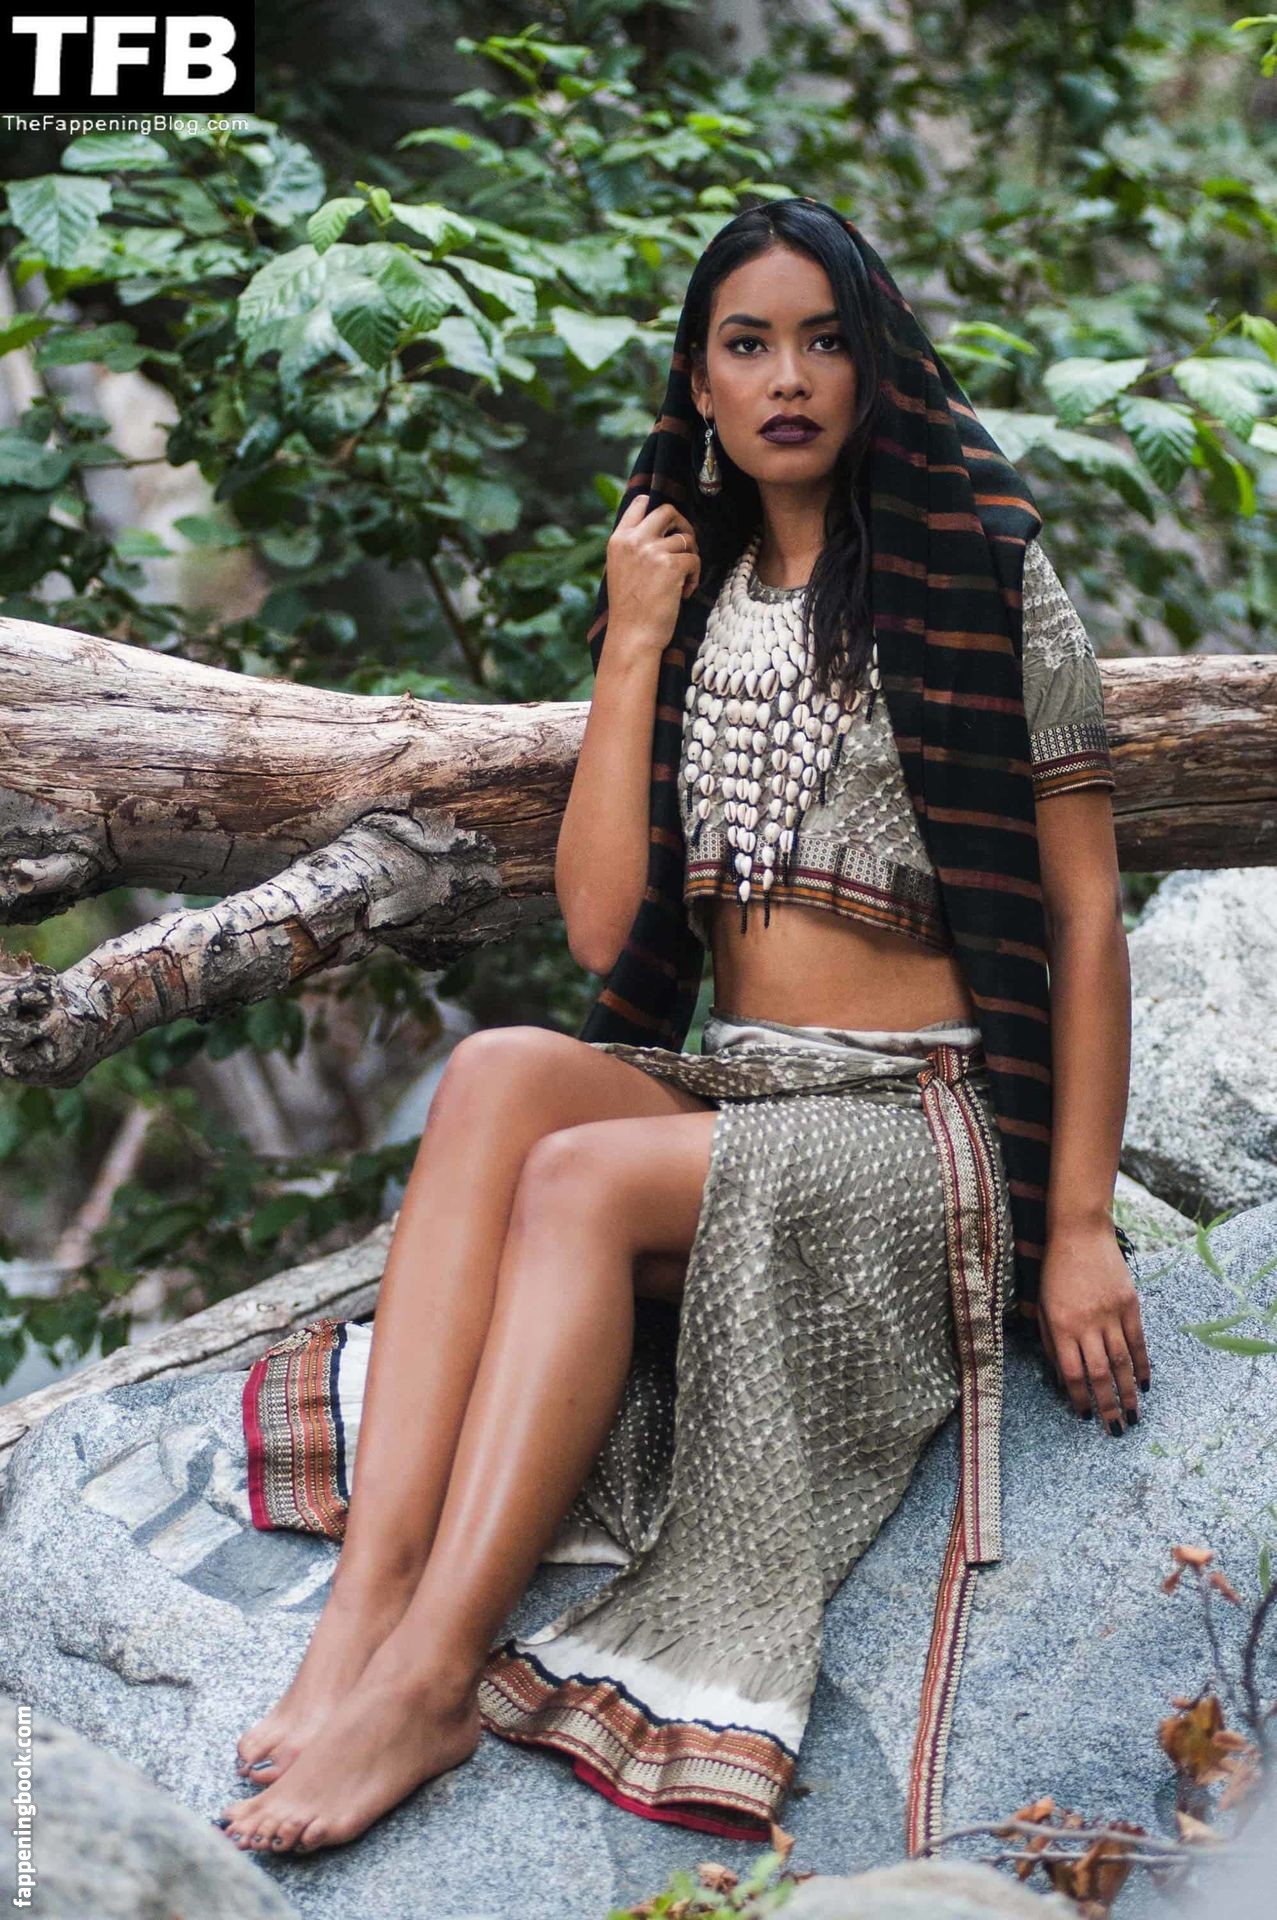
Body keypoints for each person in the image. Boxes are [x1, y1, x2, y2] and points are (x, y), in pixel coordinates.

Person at [216, 198, 1150, 1860]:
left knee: (576, 1181)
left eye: (823, 339)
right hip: (750, 1089)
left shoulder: (984, 572)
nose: (787, 377)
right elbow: (602, 931)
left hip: (920, 1128)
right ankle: (368, 1607)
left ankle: (431, 1681)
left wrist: (1074, 1224)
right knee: (498, 1074)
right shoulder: (691, 592)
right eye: (746, 345)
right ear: (699, 384)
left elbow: (1083, 917)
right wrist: (634, 637)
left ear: (874, 364)